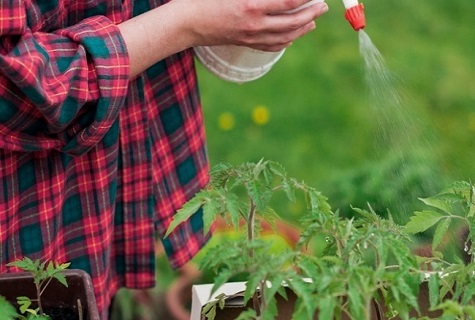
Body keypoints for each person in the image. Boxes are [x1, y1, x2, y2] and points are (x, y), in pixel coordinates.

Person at [0, 0, 329, 318]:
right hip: (29, 199)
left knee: (94, 294)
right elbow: (11, 85)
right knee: (43, 299)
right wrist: (188, 22)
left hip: (108, 170)